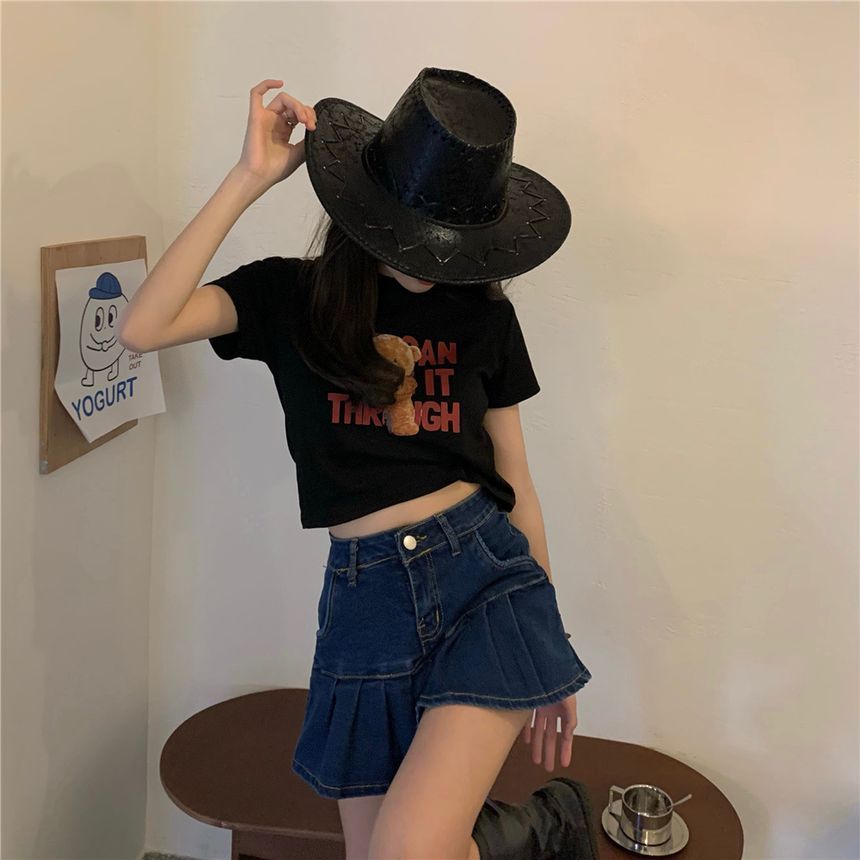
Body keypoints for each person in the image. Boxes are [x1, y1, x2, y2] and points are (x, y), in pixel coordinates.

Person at [118, 69, 599, 860]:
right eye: (418, 227)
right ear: (371, 205)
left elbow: (517, 480)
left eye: (453, 239)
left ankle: (533, 826)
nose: (433, 257)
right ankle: (535, 830)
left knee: (406, 851)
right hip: (364, 606)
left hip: (483, 580)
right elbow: (142, 328)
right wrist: (250, 178)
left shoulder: (487, 319)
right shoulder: (289, 296)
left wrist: (549, 639)